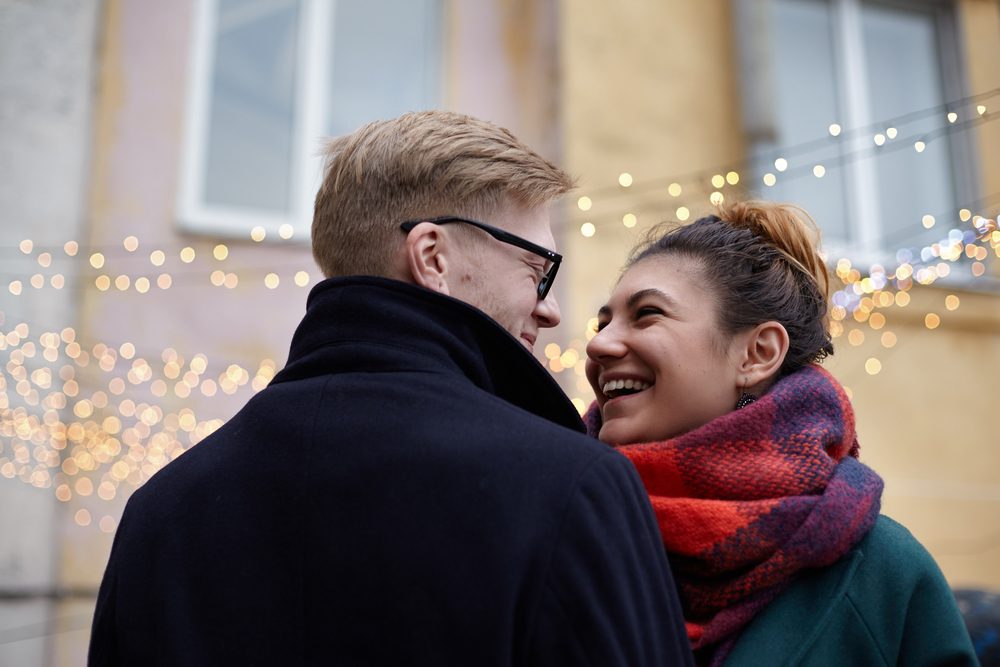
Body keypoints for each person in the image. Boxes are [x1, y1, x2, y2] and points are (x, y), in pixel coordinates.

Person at [88, 111, 694, 666]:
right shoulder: (570, 486)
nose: (551, 311)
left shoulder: (159, 515)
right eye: (537, 272)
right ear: (433, 256)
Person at [584, 200, 978, 666]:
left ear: (757, 354)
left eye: (647, 314)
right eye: (603, 321)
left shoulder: (883, 575)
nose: (599, 344)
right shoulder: (563, 531)